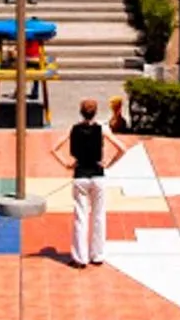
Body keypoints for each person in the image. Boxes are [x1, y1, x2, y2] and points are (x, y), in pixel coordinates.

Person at [51, 99, 129, 268]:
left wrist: (66, 163)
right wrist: (108, 163)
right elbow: (122, 148)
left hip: (80, 175)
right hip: (98, 175)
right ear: (95, 112)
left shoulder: (74, 129)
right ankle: (98, 255)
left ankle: (80, 257)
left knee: (80, 216)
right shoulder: (102, 129)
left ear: (81, 111)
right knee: (99, 216)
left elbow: (54, 148)